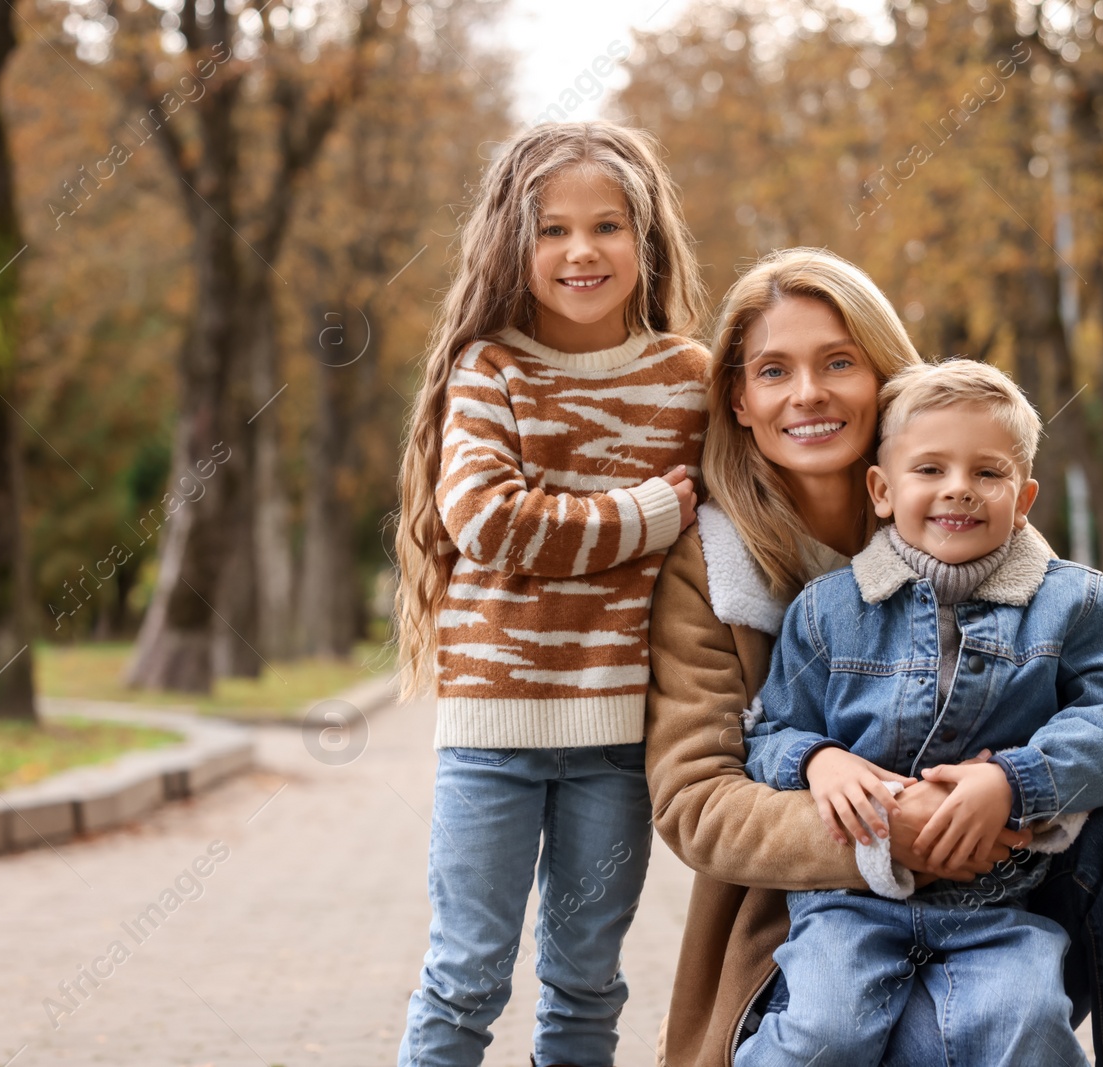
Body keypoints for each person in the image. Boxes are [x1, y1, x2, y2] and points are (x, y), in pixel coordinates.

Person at [644, 247, 1103, 1066]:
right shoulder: (725, 573)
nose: (807, 393)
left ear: (882, 373)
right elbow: (700, 797)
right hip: (821, 917)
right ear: (740, 399)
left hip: (999, 900)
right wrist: (877, 822)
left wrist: (1013, 786)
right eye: (774, 370)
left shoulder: (993, 532)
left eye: (838, 361)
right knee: (855, 1033)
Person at [735, 357, 1103, 1065]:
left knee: (1026, 1021)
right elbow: (769, 729)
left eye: (988, 473)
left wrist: (1016, 780)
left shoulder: (1075, 603)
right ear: (881, 489)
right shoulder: (826, 610)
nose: (959, 491)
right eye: (931, 469)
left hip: (999, 903)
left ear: (1024, 496)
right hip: (849, 900)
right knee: (825, 1031)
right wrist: (818, 759)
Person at [392, 120, 708, 1066]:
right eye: (552, 230)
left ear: (645, 241)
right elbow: (487, 521)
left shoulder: (687, 380)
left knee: (585, 983)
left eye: (608, 226)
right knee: (466, 976)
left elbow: (731, 528)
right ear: (512, 245)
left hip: (619, 739)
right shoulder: (491, 369)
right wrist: (647, 514)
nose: (581, 251)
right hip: (492, 737)